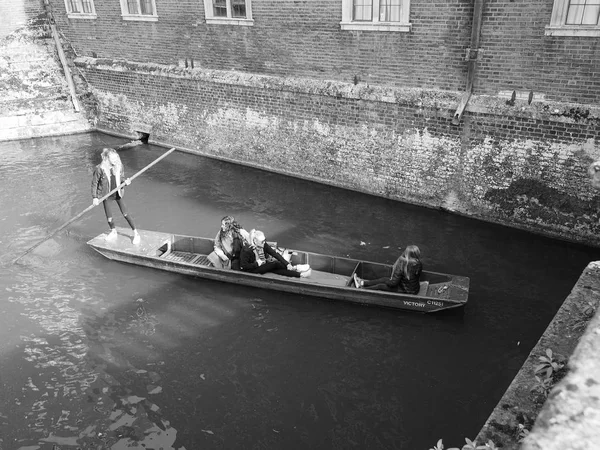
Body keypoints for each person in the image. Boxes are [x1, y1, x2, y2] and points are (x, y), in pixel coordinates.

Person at [91, 148, 140, 245]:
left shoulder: (119, 166)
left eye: (116, 158)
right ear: (107, 159)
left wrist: (125, 182)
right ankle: (113, 231)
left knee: (125, 214)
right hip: (106, 195)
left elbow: (121, 179)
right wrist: (95, 197)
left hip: (117, 194)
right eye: (112, 159)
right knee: (109, 218)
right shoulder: (99, 169)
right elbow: (94, 184)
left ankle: (136, 233)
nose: (115, 160)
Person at [240, 229, 311, 278]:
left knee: (278, 268)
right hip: (252, 270)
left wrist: (287, 263)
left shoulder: (263, 245)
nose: (264, 242)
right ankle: (296, 268)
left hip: (262, 264)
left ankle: (300, 274)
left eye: (265, 240)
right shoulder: (247, 250)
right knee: (275, 264)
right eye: (262, 241)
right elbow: (243, 266)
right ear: (255, 241)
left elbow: (274, 254)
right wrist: (257, 264)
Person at [353, 245, 422, 294]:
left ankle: (361, 289)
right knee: (384, 279)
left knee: (380, 286)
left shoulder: (402, 264)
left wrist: (387, 282)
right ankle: (363, 283)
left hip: (406, 290)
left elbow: (393, 283)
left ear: (406, 254)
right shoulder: (418, 263)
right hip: (414, 289)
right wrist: (387, 280)